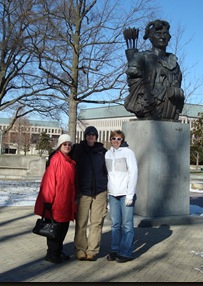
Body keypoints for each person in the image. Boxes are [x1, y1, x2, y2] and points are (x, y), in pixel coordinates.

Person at [124, 19, 185, 120]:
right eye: (158, 34)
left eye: (165, 34)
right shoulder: (141, 57)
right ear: (150, 37)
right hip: (147, 108)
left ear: (169, 38)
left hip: (168, 111)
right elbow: (133, 80)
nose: (162, 37)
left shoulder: (174, 63)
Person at [34, 134, 77, 264]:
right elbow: (49, 180)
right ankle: (51, 253)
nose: (67, 146)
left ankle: (58, 251)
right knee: (54, 228)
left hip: (66, 201)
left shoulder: (70, 161)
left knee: (63, 227)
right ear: (59, 146)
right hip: (56, 201)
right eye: (65, 144)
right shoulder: (56, 159)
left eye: (69, 144)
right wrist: (47, 199)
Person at [70, 126, 108, 261]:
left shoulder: (103, 151)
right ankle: (80, 249)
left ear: (96, 136)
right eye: (88, 134)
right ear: (85, 136)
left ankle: (92, 250)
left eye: (93, 134)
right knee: (81, 222)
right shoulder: (78, 150)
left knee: (96, 222)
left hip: (100, 191)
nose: (91, 136)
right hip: (83, 192)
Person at [104, 130, 138, 263]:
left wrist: (130, 194)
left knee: (127, 225)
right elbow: (108, 175)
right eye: (113, 138)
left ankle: (126, 252)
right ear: (110, 139)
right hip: (113, 194)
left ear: (122, 140)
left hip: (125, 194)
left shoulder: (128, 153)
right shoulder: (107, 154)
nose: (116, 141)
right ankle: (115, 249)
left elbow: (133, 173)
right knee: (115, 224)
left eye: (119, 139)